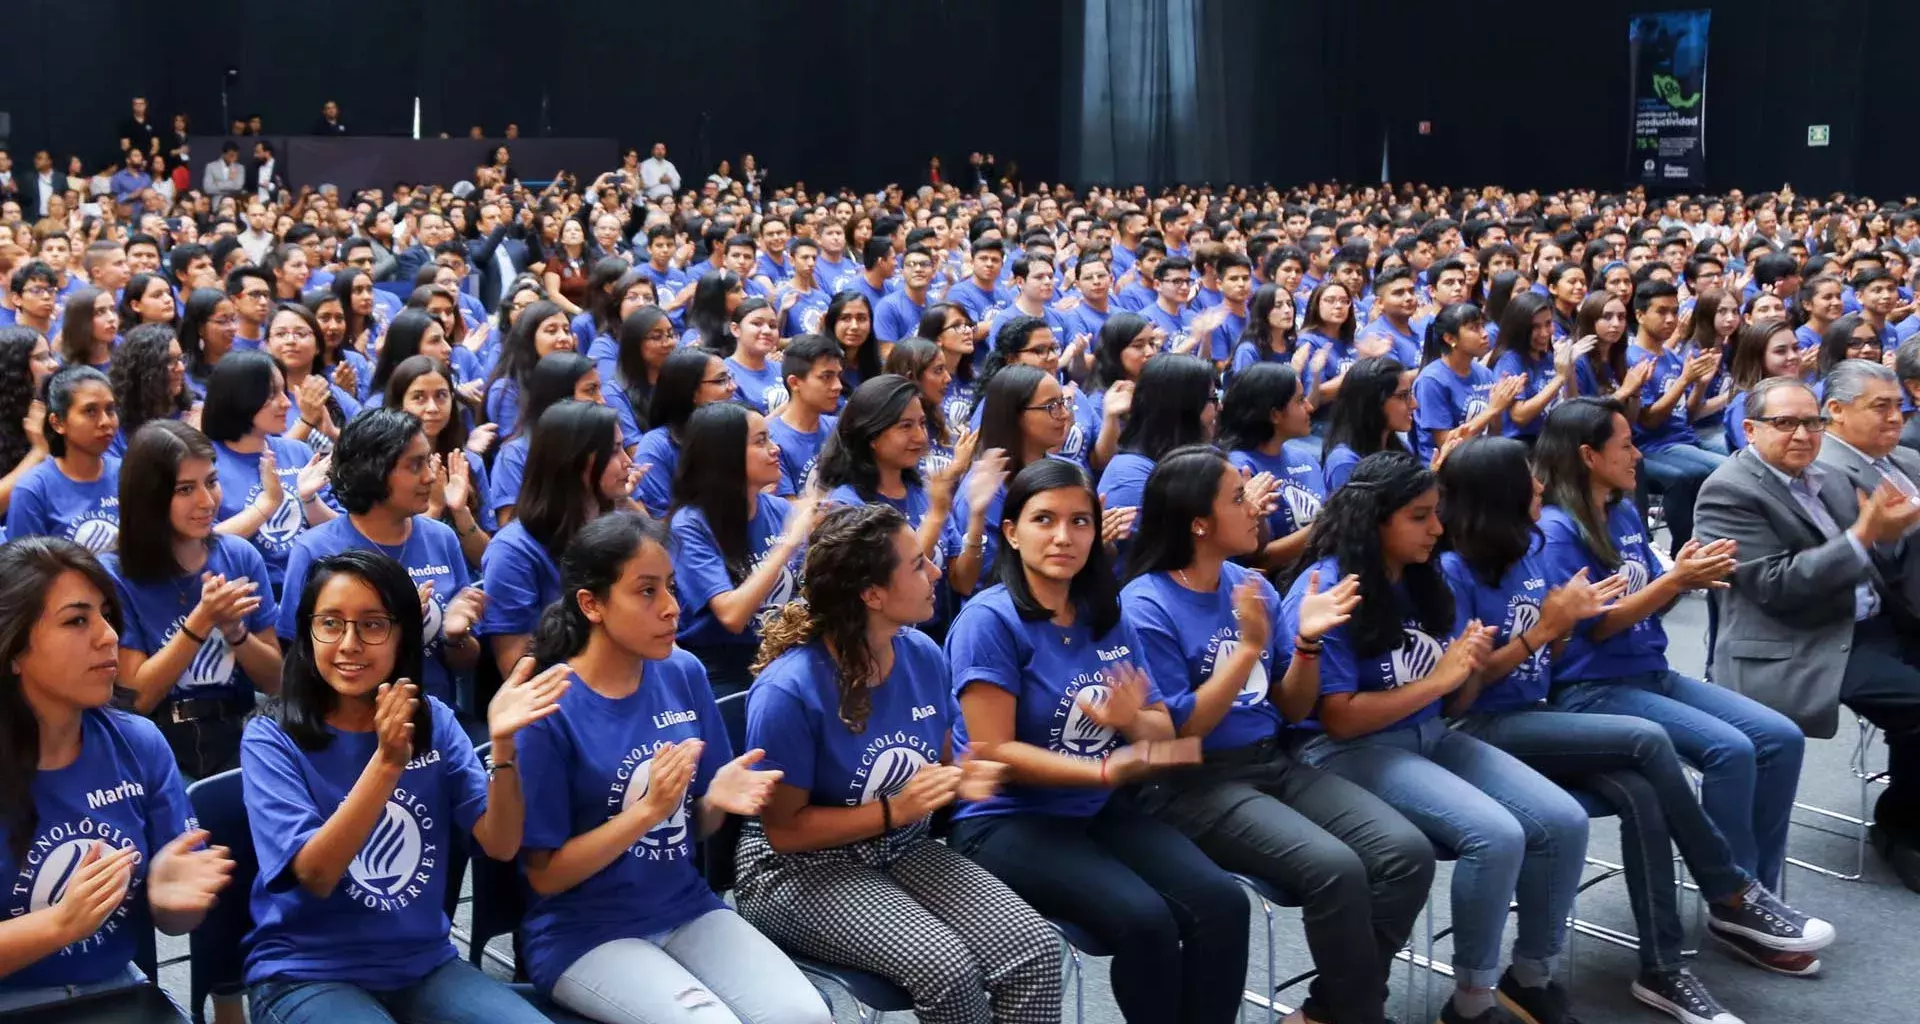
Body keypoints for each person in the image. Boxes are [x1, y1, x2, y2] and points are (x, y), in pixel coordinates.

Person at [1440, 435, 1833, 1018]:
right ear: (1501, 493)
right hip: (1481, 727)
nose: (1540, 487)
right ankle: (1730, 889)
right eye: (1529, 480)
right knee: (1648, 740)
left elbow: (1558, 650)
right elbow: (1460, 696)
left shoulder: (1528, 546)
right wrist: (1547, 629)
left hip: (1537, 715)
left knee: (1645, 791)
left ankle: (1664, 972)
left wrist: (1570, 622)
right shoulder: (1455, 570)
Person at [1120, 446, 1431, 1024]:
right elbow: (1180, 732)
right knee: (1335, 869)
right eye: (1237, 499)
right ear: (1198, 523)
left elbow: (1291, 705)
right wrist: (1246, 650)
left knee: (1405, 854)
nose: (1256, 509)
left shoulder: (1250, 587)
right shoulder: (1145, 605)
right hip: (1191, 781)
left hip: (1271, 761)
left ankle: (1330, 1011)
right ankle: (1360, 1013)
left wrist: (1307, 642)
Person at [1286, 450, 1590, 1024]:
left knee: (1563, 819)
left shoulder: (1424, 579)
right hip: (1346, 751)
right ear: (1377, 519)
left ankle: (1530, 976)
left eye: (1437, 513)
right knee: (1496, 835)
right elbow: (1339, 719)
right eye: (1420, 517)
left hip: (1426, 734)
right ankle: (1473, 1000)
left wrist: (1468, 668)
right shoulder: (1328, 586)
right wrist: (1441, 679)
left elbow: (1456, 702)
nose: (1438, 528)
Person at [944, 457, 1240, 1024]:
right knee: (1145, 920)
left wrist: (1131, 721)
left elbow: (1158, 733)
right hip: (1006, 821)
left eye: (1080, 522)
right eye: (1044, 520)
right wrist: (1104, 771)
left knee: (1221, 902)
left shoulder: (1105, 615)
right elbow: (994, 752)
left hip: (1097, 808)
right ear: (1011, 532)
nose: (1064, 536)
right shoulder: (992, 621)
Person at [737, 502, 1060, 1023]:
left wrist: (970, 772)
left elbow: (951, 756)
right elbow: (785, 833)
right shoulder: (788, 690)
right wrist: (897, 809)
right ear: (872, 595)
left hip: (900, 844)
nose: (936, 572)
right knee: (947, 968)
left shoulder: (922, 654)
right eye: (917, 564)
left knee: (1033, 949)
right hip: (796, 871)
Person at [516, 511, 829, 1024]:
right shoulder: (548, 706)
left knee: (806, 1017)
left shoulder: (681, 670)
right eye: (646, 592)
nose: (671, 609)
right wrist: (647, 811)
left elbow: (694, 822)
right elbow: (546, 878)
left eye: (671, 588)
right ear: (591, 604)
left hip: (685, 906)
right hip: (585, 932)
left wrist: (714, 802)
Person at [239, 549, 566, 1024]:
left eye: (372, 625)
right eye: (330, 623)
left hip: (423, 963)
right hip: (307, 971)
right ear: (308, 635)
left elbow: (500, 843)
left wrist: (503, 745)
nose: (349, 643)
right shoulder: (271, 736)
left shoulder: (433, 719)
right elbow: (316, 874)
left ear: (401, 637)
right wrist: (387, 762)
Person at [1534, 397, 1808, 916]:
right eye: (1626, 445)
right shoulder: (1557, 530)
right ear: (1589, 455)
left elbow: (1647, 608)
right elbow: (1594, 629)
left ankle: (1759, 889)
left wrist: (1680, 579)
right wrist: (1673, 581)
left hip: (1649, 672)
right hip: (1592, 688)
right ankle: (1736, 901)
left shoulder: (1620, 512)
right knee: (1731, 750)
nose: (1637, 454)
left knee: (1780, 737)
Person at [1697, 367, 1920, 894]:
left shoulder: (1822, 475)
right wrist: (1864, 535)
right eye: (1785, 423)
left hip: (1870, 622)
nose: (1802, 434)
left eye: (1811, 422)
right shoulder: (1727, 491)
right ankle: (1901, 826)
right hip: (1805, 645)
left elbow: (1874, 562)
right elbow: (1778, 586)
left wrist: (1883, 537)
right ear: (1750, 430)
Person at [0, 537, 234, 1017]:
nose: (108, 635)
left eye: (106, 614)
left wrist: (171, 900)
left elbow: (174, 919)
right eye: (77, 620)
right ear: (14, 649)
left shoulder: (138, 743)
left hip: (114, 992)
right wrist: (60, 925)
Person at [277, 409, 485, 712]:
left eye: (427, 461)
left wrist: (455, 637)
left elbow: (464, 662)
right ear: (373, 471)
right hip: (350, 725)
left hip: (434, 722)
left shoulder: (442, 537)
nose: (429, 476)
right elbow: (297, 660)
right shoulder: (315, 550)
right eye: (415, 465)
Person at [106, 420, 282, 776]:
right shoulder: (115, 574)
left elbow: (277, 681)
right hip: (158, 742)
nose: (207, 501)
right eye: (185, 489)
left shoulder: (240, 556)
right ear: (150, 497)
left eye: (212, 482)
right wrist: (202, 620)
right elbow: (136, 700)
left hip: (238, 730)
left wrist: (236, 633)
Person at [668, 403, 817, 705]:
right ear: (726, 454)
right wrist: (788, 544)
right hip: (728, 672)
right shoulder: (691, 524)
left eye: (770, 438)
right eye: (761, 441)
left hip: (787, 656)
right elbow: (733, 616)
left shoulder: (779, 510)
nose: (775, 450)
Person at [480, 400, 636, 675]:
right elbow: (517, 669)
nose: (628, 461)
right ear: (574, 461)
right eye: (613, 451)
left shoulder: (622, 529)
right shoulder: (513, 550)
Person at [202, 350, 336, 594]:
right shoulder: (205, 464)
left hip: (317, 587)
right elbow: (202, 542)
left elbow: (339, 528)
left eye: (284, 391)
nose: (286, 403)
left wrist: (310, 500)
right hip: (253, 593)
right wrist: (268, 504)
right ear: (240, 398)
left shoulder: (298, 451)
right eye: (272, 394)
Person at [1627, 280, 1726, 556]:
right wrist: (1684, 380)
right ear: (1639, 315)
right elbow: (1648, 421)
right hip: (1654, 446)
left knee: (1741, 457)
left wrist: (1701, 384)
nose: (1670, 319)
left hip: (1685, 440)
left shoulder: (1671, 356)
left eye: (1674, 311)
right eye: (1661, 311)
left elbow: (1688, 415)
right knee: (1722, 470)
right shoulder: (1633, 358)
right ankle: (1685, 554)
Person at [1219, 362, 1326, 574]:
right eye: (1300, 401)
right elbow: (1257, 558)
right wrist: (1327, 526)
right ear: (1275, 414)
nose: (1310, 407)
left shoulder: (1305, 457)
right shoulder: (1238, 468)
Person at [386, 355, 494, 565]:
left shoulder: (467, 462)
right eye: (419, 397)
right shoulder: (384, 464)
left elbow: (485, 559)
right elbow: (391, 555)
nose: (433, 408)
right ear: (400, 404)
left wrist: (460, 511)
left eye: (441, 396)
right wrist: (434, 507)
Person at [6, 365, 121, 550]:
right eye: (90, 411)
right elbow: (24, 572)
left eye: (110, 410)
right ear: (58, 423)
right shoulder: (32, 490)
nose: (105, 421)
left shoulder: (127, 473)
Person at [630, 348, 736, 517]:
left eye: (730, 378)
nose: (733, 387)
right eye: (721, 380)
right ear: (691, 391)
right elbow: (658, 523)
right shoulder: (656, 446)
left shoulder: (735, 431)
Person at [1412, 302, 1521, 463]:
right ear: (1450, 338)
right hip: (1447, 469)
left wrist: (1501, 404)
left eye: (1483, 326)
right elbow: (1446, 443)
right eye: (1474, 328)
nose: (1484, 334)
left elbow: (1495, 433)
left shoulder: (1483, 372)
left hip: (1480, 460)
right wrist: (1493, 409)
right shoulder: (1431, 380)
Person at [484, 299, 575, 438]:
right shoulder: (506, 390)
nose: (563, 338)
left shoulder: (576, 380)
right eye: (552, 331)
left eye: (567, 330)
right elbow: (515, 449)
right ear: (528, 338)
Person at [1320, 356, 1414, 491]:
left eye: (1410, 394)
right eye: (1402, 396)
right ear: (1372, 403)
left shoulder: (1399, 447)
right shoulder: (1344, 463)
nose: (1414, 404)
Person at [766, 334, 843, 495]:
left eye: (838, 376)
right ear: (794, 383)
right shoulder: (771, 441)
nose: (838, 386)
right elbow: (787, 509)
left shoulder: (839, 428)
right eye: (826, 377)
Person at [106, 323, 193, 456]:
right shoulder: (114, 427)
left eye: (181, 359)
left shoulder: (193, 414)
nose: (181, 368)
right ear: (144, 370)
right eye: (169, 361)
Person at [0, 327, 60, 516]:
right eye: (41, 358)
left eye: (51, 355)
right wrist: (39, 452)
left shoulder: (50, 408)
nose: (54, 364)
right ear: (15, 370)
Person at [723, 298, 786, 414]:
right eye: (757, 323)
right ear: (735, 329)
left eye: (772, 326)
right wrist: (791, 406)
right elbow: (744, 429)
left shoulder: (783, 368)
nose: (767, 330)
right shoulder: (725, 374)